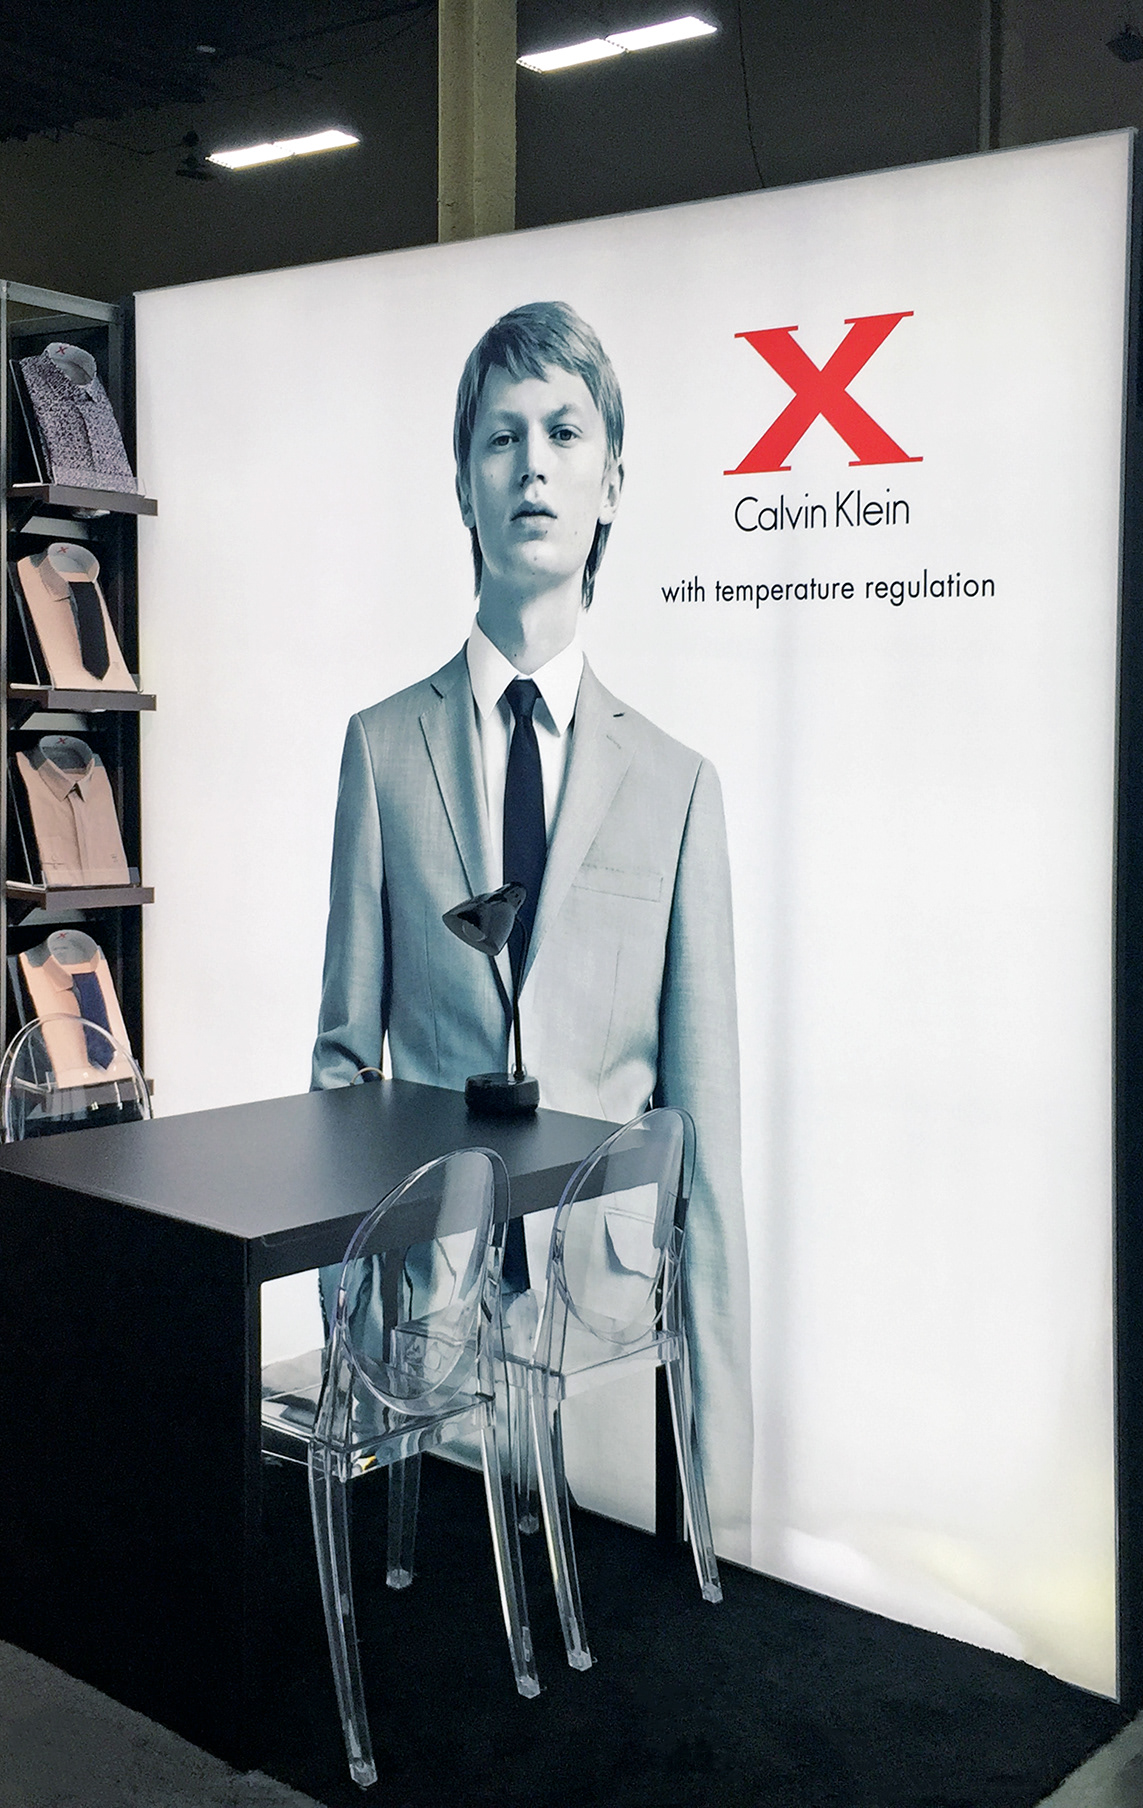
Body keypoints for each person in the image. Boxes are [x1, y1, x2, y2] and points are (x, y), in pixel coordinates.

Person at [311, 300, 753, 1551]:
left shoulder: (676, 786)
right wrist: (357, 1350)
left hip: (603, 1322)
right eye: (501, 437)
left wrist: (719, 1488)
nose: (532, 466)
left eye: (564, 432)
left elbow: (705, 1136)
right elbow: (342, 1070)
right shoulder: (381, 751)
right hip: (429, 1335)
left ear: (612, 484)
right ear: (463, 482)